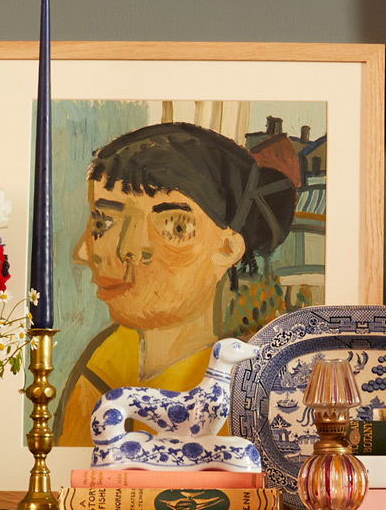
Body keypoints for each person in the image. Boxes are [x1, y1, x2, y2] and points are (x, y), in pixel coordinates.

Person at [55, 123, 296, 446]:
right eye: (102, 222)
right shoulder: (104, 358)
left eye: (175, 226)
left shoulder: (246, 387)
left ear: (227, 249)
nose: (89, 252)